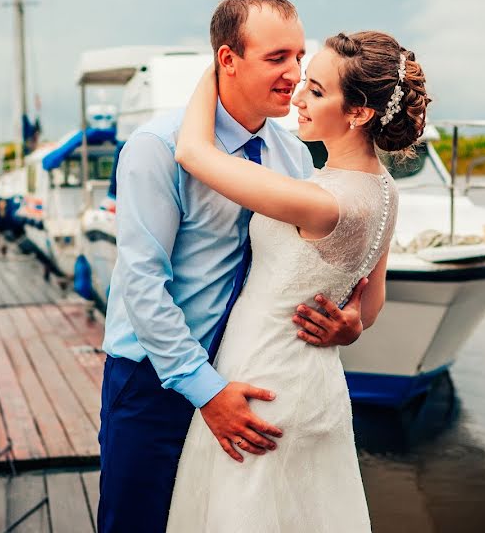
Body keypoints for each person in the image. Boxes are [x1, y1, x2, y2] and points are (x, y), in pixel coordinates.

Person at [98, 0, 375, 533]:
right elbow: (141, 283)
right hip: (154, 382)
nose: (295, 74)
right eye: (277, 58)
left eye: (299, 56)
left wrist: (350, 320)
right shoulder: (156, 147)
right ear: (227, 60)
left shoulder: (292, 154)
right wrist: (204, 389)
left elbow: (306, 261)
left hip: (247, 378)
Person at [166, 30, 429, 531]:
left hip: (263, 381)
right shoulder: (386, 192)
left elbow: (192, 153)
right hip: (317, 386)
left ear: (359, 114)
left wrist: (220, 66)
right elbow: (368, 307)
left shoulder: (320, 201)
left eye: (317, 90)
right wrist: (348, 327)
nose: (299, 98)